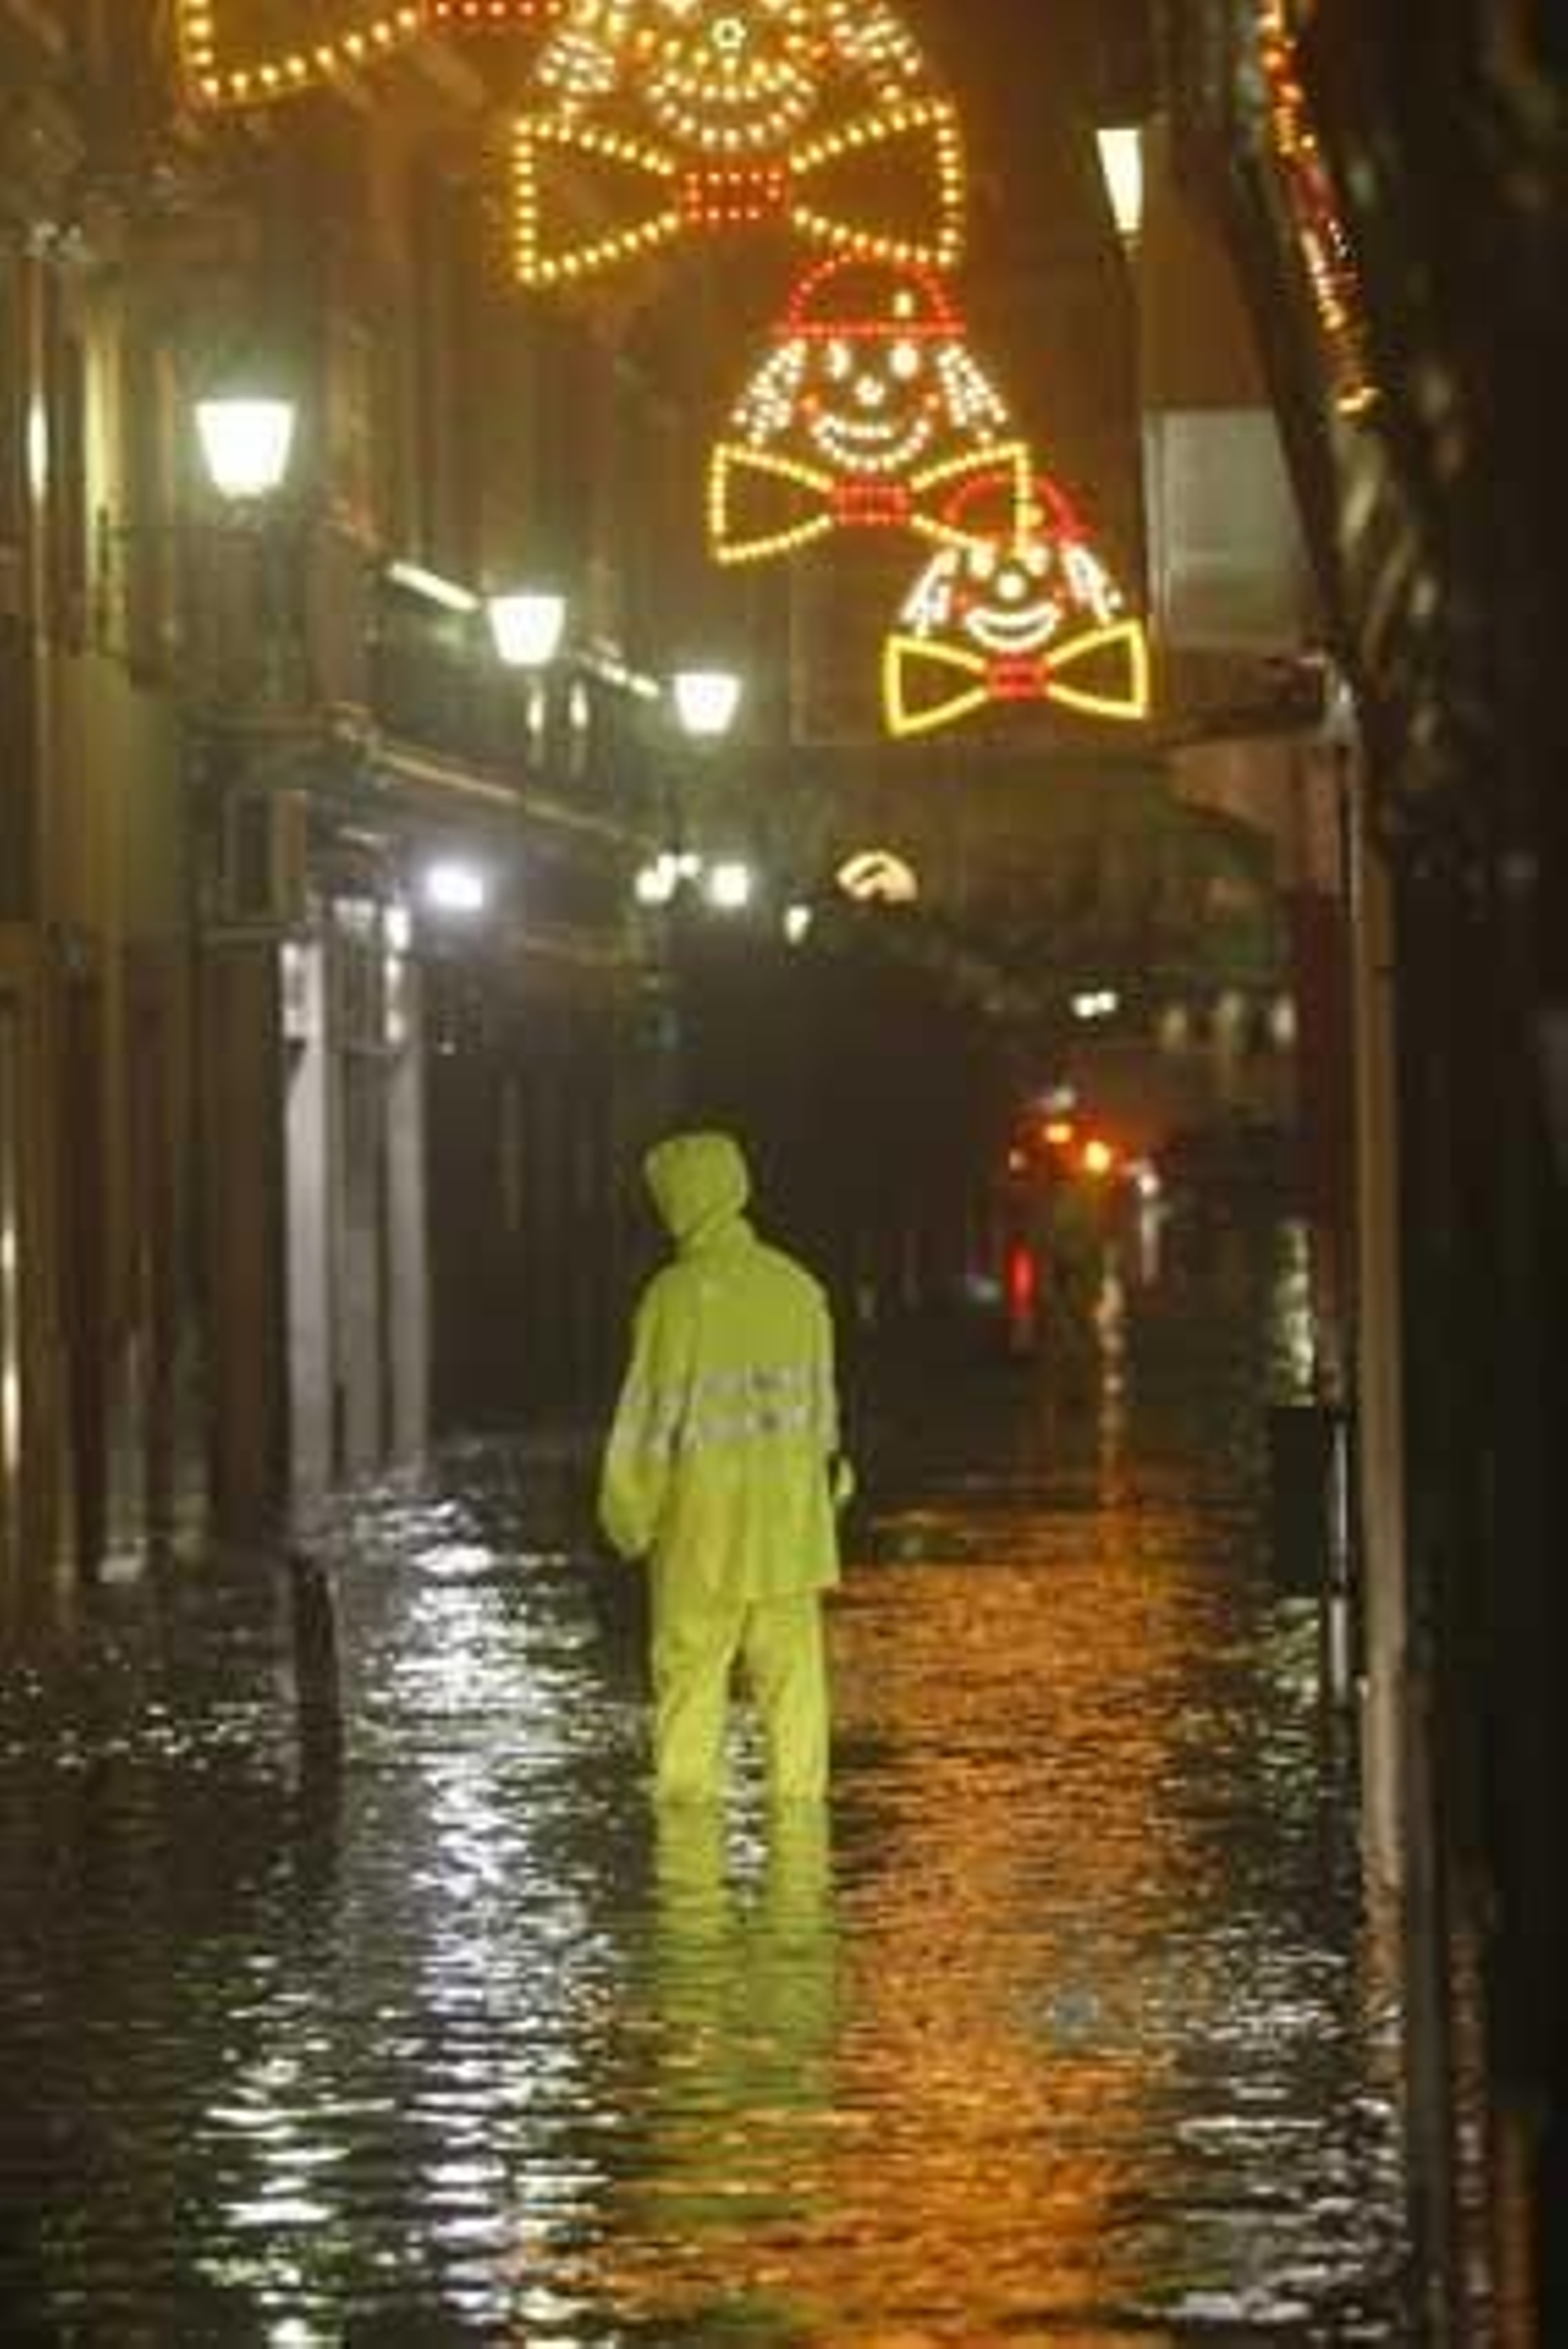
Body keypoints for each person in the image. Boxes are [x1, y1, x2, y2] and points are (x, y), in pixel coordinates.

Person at [599, 1131, 851, 1806]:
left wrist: (627, 1519)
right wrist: (822, 1505)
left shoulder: (672, 1298)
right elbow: (826, 1429)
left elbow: (647, 1427)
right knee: (796, 1714)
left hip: (700, 1542)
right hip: (791, 1537)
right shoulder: (800, 1290)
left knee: (689, 1709)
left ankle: (689, 1893)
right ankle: (801, 1892)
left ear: (679, 1201)